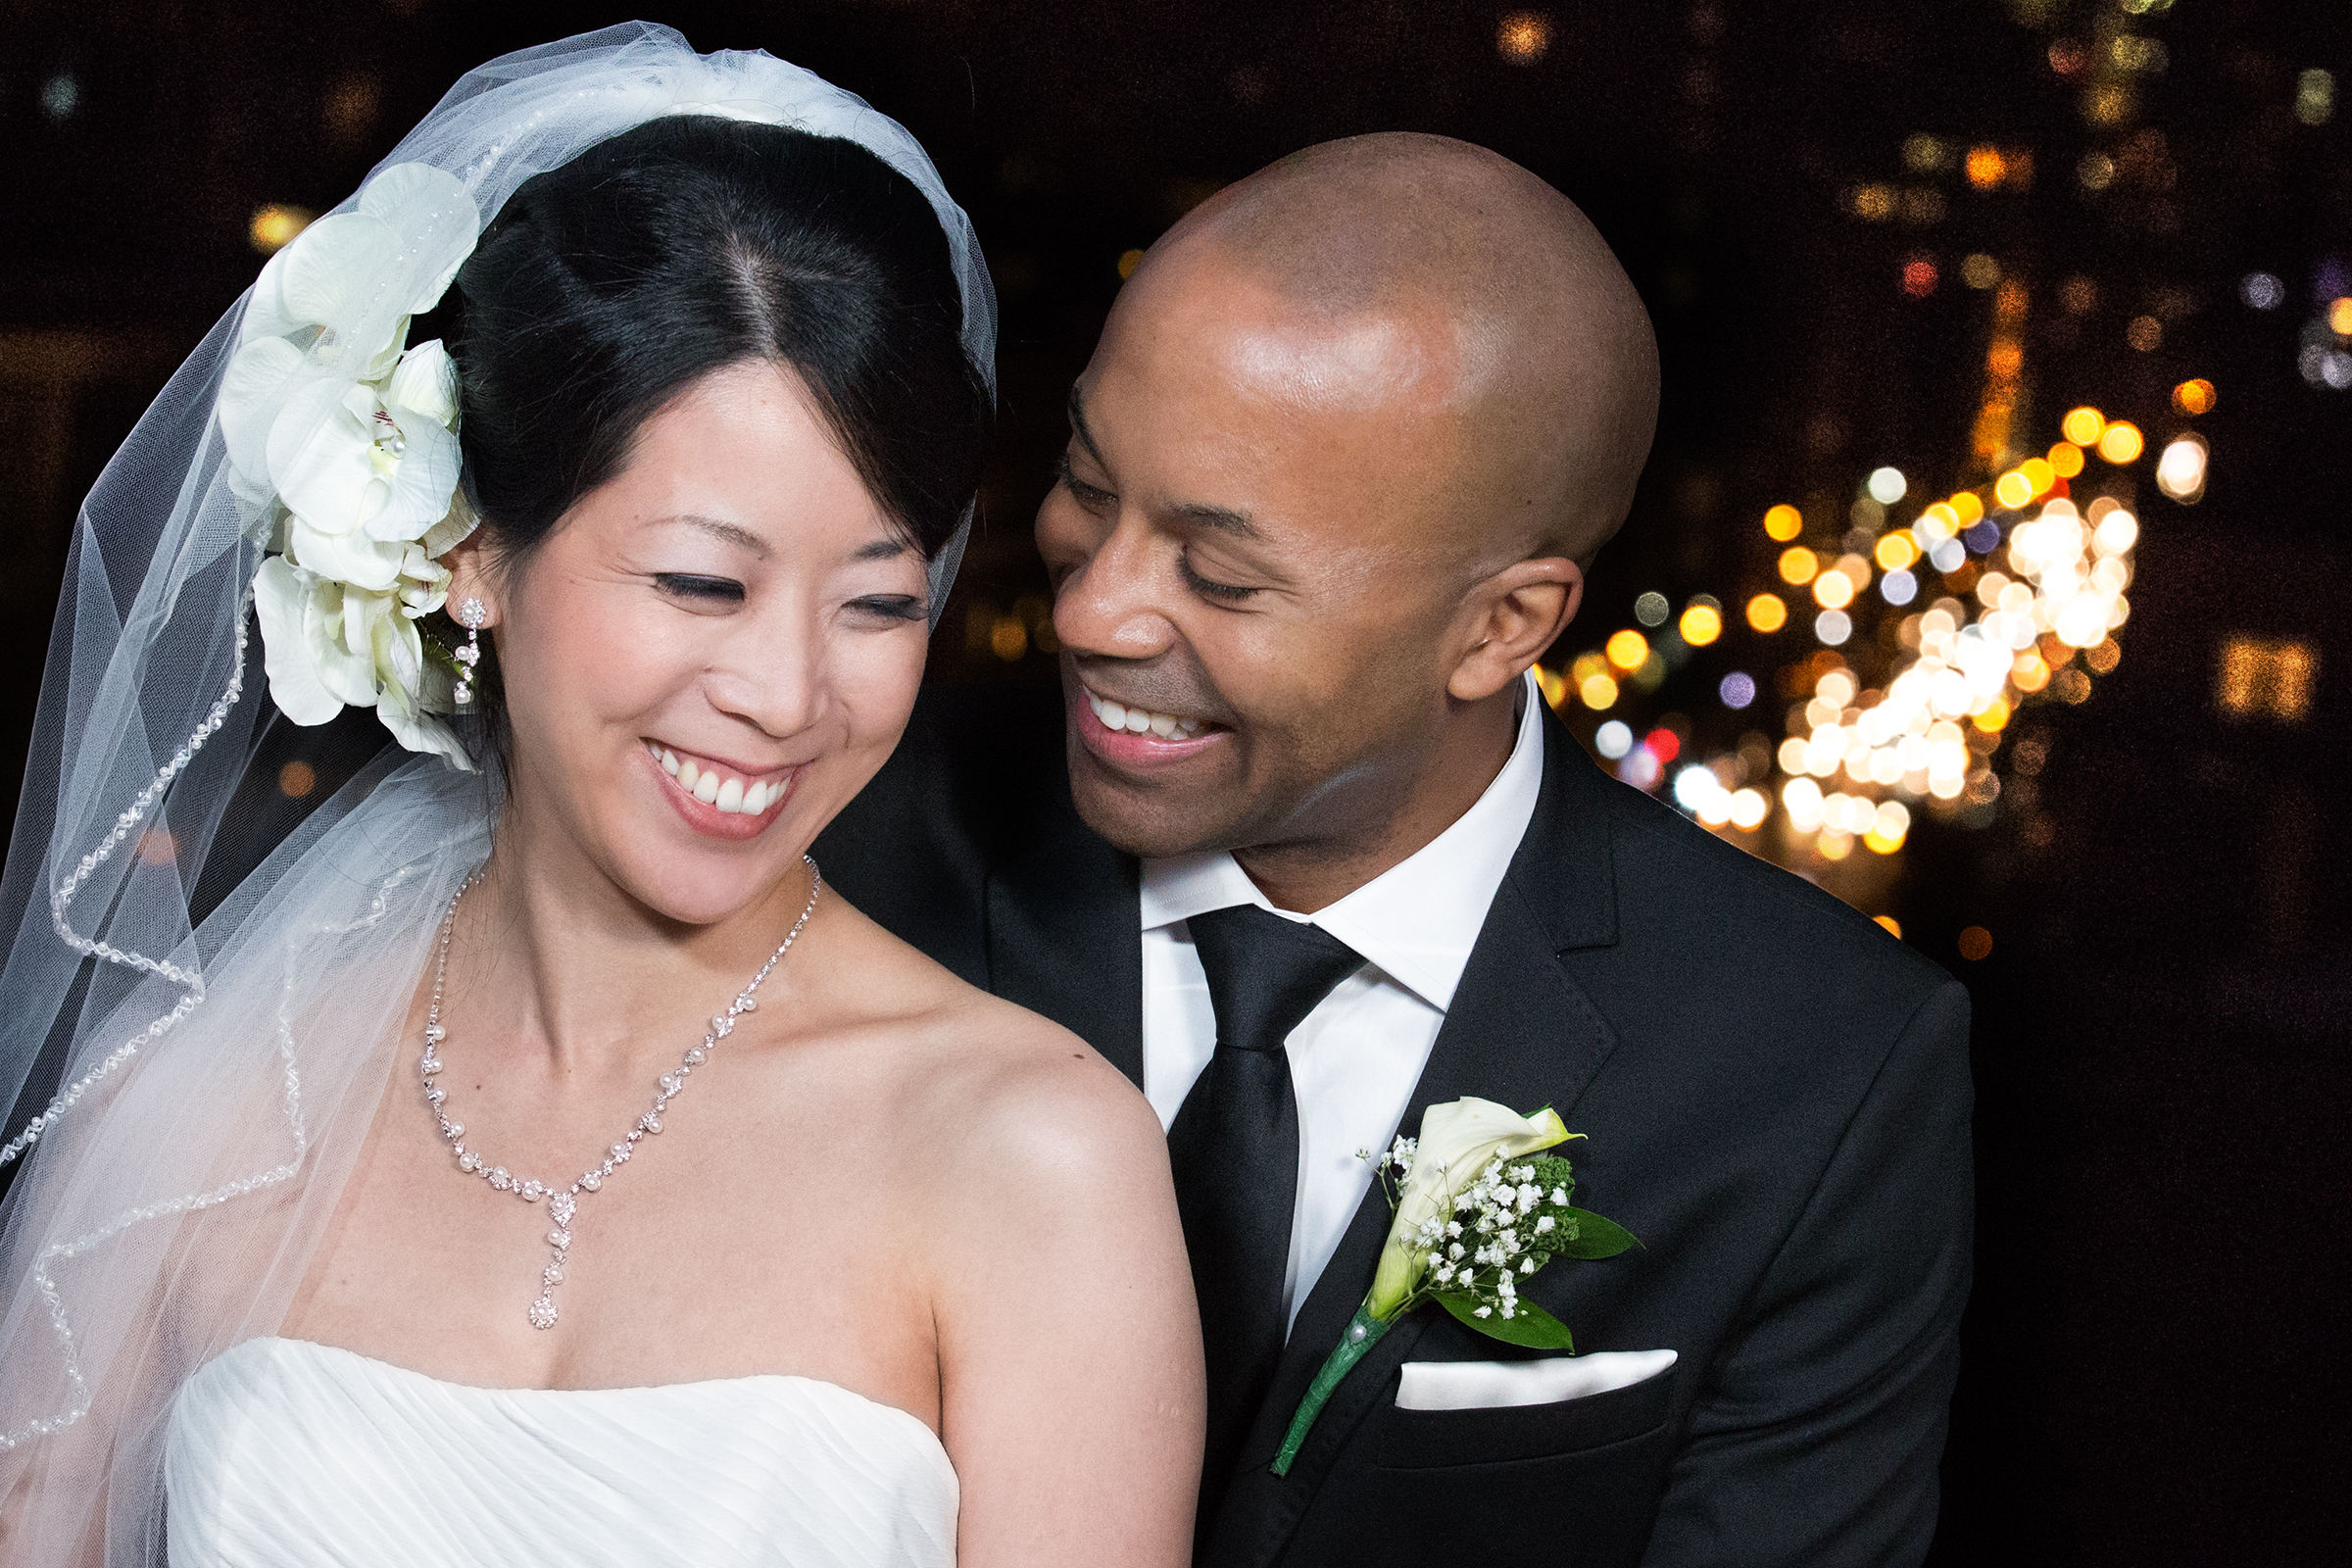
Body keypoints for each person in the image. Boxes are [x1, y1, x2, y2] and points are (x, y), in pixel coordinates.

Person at [0, 25, 1201, 1568]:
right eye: (702, 582)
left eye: (877, 603)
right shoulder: (192, 1106)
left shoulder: (1035, 1159)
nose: (787, 694)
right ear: (473, 555)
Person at [818, 132, 1974, 1566]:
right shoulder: (842, 847)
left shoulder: (1823, 1066)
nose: (1091, 611)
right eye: (1089, 486)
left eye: (1221, 575)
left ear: (1502, 627)